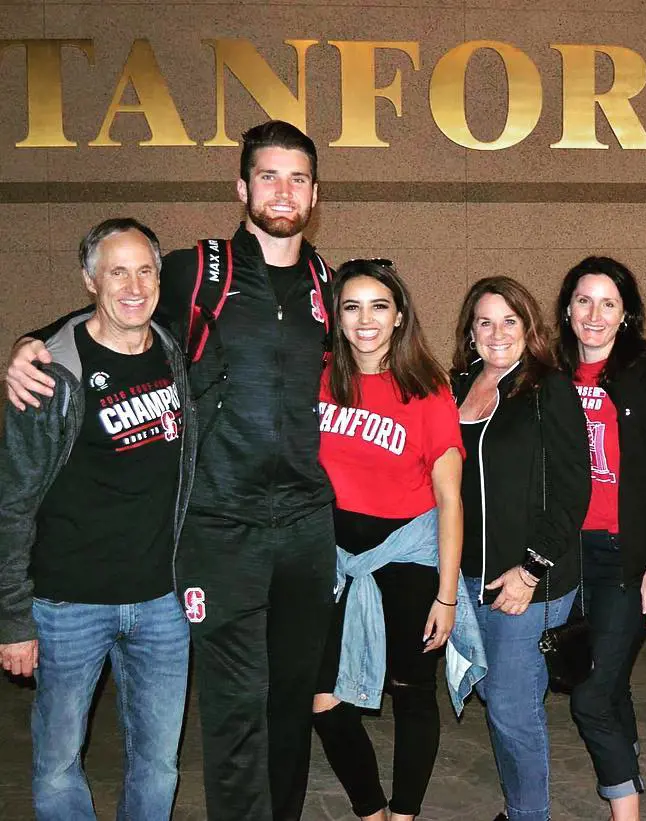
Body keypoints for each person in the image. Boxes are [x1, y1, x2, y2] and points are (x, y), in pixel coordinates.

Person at [5, 120, 336, 821]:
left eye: (297, 177)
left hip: (306, 527)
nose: (283, 190)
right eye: (268, 176)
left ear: (315, 192)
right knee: (234, 712)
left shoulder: (326, 283)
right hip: (222, 530)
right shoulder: (199, 270)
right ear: (241, 187)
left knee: (291, 699)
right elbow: (115, 310)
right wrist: (29, 344)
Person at [0, 218, 195, 819]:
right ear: (90, 280)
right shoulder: (51, 374)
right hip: (66, 608)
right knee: (58, 764)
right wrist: (11, 617)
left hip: (163, 604)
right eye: (117, 271)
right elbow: (11, 501)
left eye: (145, 270)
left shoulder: (171, 352)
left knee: (159, 764)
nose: (133, 285)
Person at [312, 259, 473, 821]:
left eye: (379, 306)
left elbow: (451, 498)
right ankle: (370, 810)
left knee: (409, 692)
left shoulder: (427, 390)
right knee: (321, 697)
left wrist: (447, 596)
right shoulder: (322, 374)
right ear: (336, 314)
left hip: (406, 557)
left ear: (399, 316)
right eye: (351, 306)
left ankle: (404, 814)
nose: (365, 320)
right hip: (331, 558)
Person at [554, 256, 646, 821]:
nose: (594, 314)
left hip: (622, 557)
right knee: (605, 681)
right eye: (584, 301)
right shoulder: (549, 373)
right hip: (565, 555)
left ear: (626, 314)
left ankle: (625, 808)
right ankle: (626, 766)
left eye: (608, 303)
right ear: (567, 309)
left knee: (590, 694)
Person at [451, 276, 591, 821]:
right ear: (470, 331)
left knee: (511, 706)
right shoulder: (458, 385)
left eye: (509, 320)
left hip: (524, 578)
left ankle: (528, 813)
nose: (496, 332)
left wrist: (531, 569)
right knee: (493, 690)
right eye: (484, 321)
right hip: (466, 576)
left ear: (529, 328)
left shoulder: (546, 387)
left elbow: (573, 485)